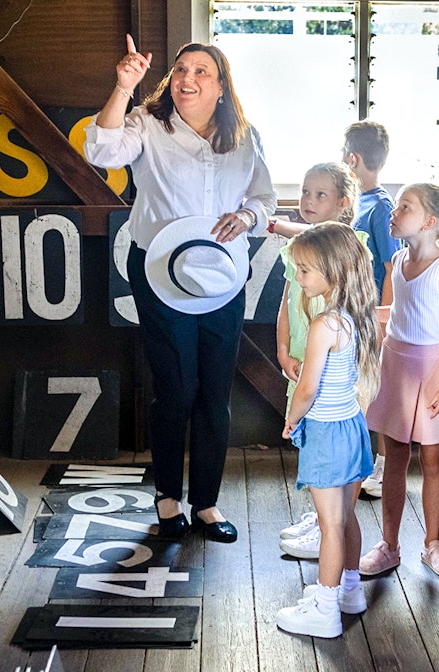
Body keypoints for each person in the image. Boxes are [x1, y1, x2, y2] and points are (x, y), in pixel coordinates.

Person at [82, 35, 277, 543]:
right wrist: (124, 86)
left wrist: (248, 214)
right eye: (181, 69)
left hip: (222, 275)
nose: (188, 78)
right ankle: (168, 498)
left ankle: (206, 504)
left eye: (201, 72)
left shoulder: (244, 136)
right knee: (176, 387)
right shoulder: (147, 125)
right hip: (158, 269)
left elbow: (264, 199)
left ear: (220, 87)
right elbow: (100, 150)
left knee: (215, 391)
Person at [358, 184, 439, 578]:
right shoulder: (397, 258)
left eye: (404, 207)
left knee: (432, 458)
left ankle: (433, 544)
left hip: (431, 371)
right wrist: (366, 319)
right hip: (396, 366)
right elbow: (396, 311)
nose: (394, 211)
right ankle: (389, 544)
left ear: (429, 222)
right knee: (393, 458)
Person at [276, 222, 381, 639]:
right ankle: (349, 590)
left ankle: (324, 609)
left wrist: (293, 418)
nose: (298, 278)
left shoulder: (324, 325)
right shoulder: (358, 317)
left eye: (304, 271)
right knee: (346, 516)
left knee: (329, 524)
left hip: (325, 432)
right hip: (353, 428)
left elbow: (307, 390)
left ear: (332, 273)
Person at [274, 163, 364, 561]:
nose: (307, 200)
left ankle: (329, 528)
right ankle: (321, 517)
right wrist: (281, 351)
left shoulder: (349, 247)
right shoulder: (298, 255)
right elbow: (285, 304)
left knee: (328, 451)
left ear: (343, 204)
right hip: (301, 357)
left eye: (320, 194)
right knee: (315, 445)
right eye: (305, 191)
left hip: (329, 371)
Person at [344, 121, 401, 499]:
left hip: (374, 315)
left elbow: (392, 265)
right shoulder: (355, 203)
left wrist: (384, 314)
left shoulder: (380, 207)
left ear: (352, 158)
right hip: (354, 313)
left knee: (380, 392)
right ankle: (360, 464)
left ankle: (383, 468)